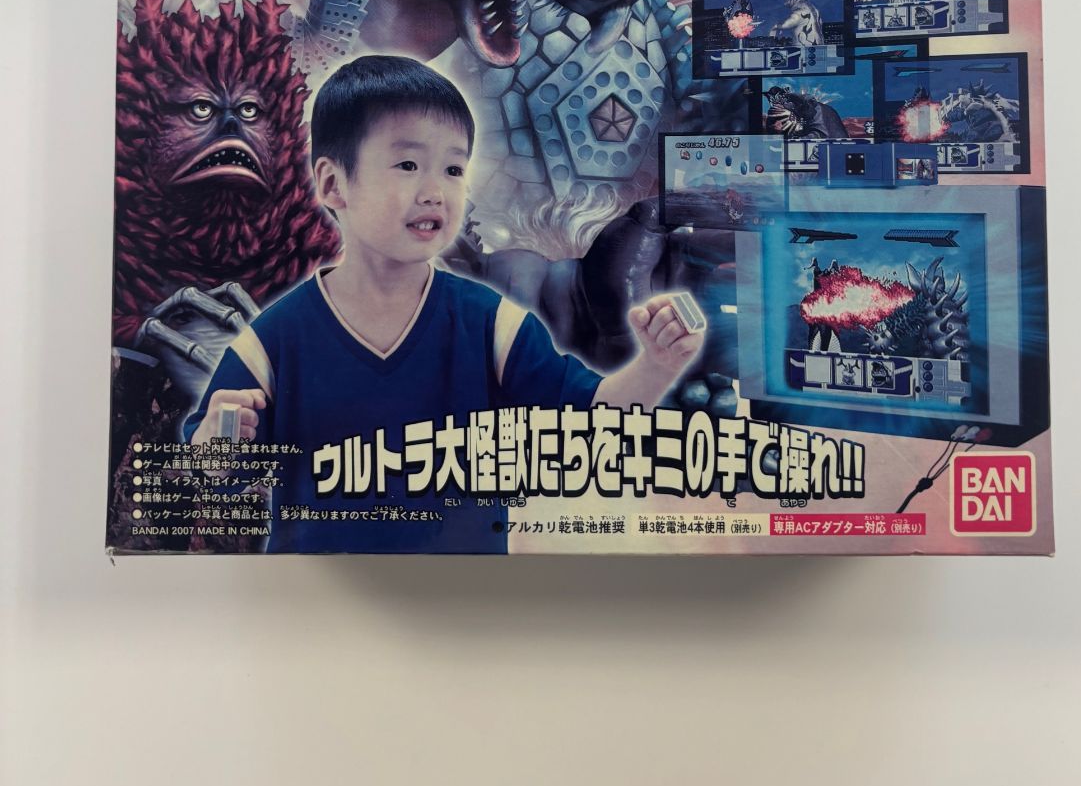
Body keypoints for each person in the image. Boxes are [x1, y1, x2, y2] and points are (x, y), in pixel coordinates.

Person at [185, 54, 705, 552]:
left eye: (454, 170)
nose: (435, 191)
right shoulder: (274, 341)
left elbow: (592, 420)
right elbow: (216, 473)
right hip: (319, 598)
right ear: (333, 184)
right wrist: (217, 447)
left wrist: (658, 365)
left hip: (464, 597)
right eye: (408, 164)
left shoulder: (492, 324)